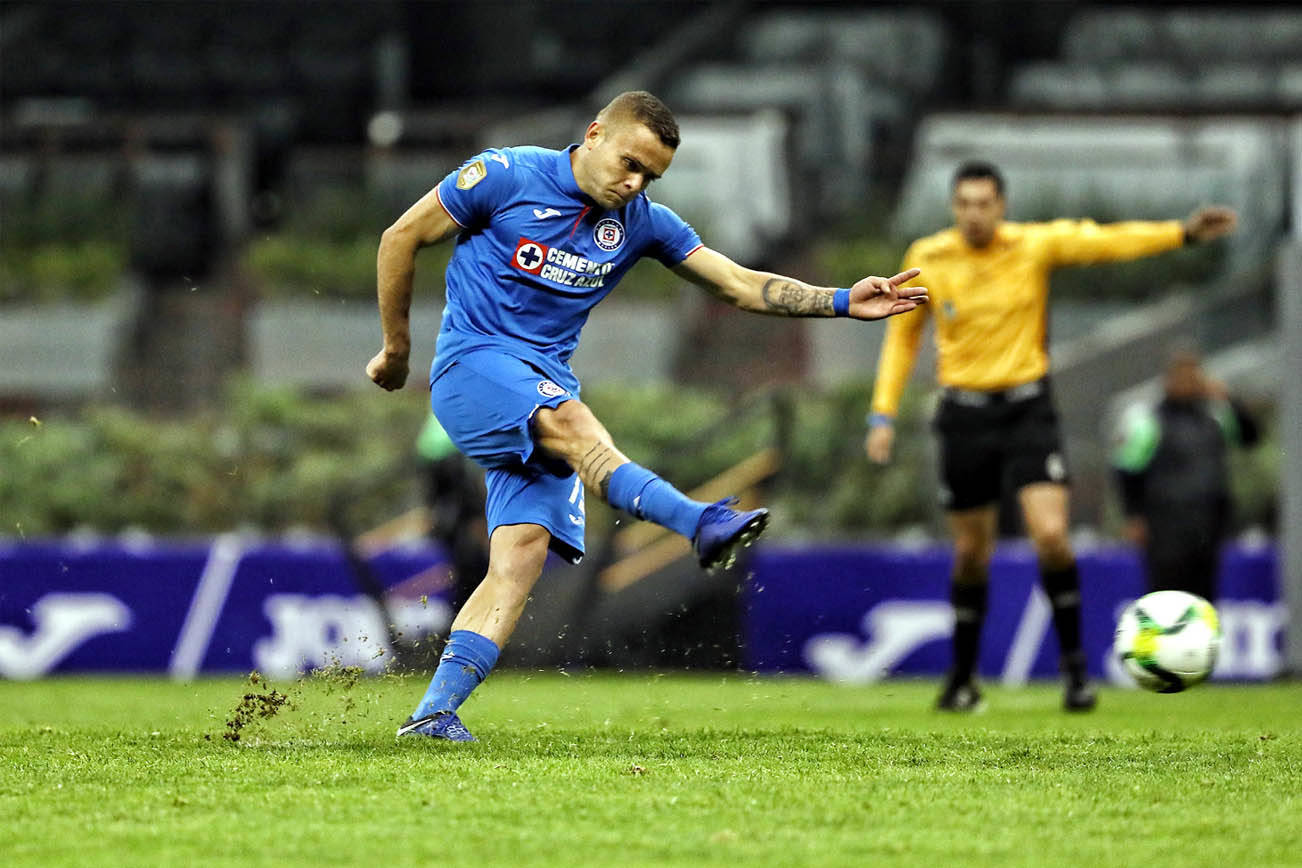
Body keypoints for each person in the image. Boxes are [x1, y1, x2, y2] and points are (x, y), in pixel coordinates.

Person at [367, 91, 929, 742]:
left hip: (543, 383)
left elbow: (737, 283)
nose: (634, 182)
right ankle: (700, 522)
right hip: (473, 370)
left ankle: (433, 714)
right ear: (596, 132)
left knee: (519, 557)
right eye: (629, 163)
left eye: (649, 176)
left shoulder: (641, 222)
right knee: (575, 424)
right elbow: (399, 237)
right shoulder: (505, 175)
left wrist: (838, 299)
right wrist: (396, 350)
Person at [864, 160, 1237, 713]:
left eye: (983, 203)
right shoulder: (928, 257)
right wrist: (881, 414)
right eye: (963, 203)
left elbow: (1108, 242)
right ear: (953, 207)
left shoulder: (1033, 246)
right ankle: (962, 680)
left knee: (1052, 536)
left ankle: (1076, 674)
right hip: (964, 414)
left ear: (1002, 205)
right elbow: (902, 337)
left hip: (1027, 410)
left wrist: (1181, 233)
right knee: (970, 550)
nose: (973, 214)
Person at [1112, 346, 1260, 603]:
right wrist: (1133, 515)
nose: (1187, 381)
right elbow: (1126, 469)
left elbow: (1250, 437)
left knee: (1203, 601)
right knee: (1165, 600)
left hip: (1207, 526)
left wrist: (1230, 399)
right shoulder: (1150, 421)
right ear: (1167, 379)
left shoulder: (1215, 416)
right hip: (1165, 527)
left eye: (1192, 374)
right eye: (1180, 374)